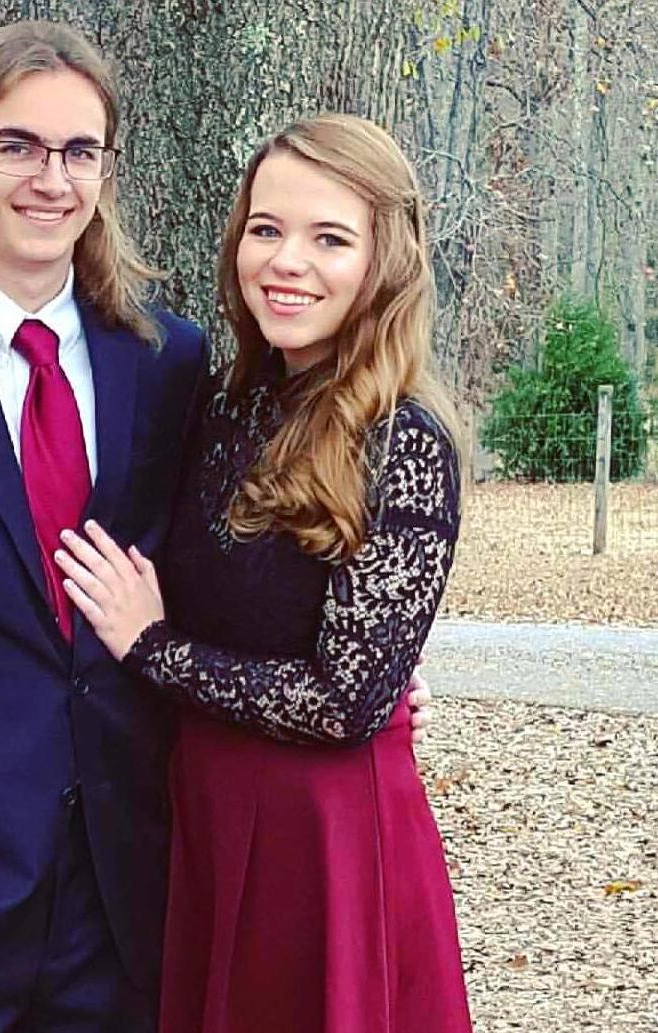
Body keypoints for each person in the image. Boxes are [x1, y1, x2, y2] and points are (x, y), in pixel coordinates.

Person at [0, 20, 432, 1031]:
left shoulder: (166, 362)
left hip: (128, 900)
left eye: (78, 150)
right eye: (15, 145)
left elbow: (215, 573)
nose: (50, 179)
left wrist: (366, 675)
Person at [57, 114, 473, 1033]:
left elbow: (342, 704)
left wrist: (151, 647)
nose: (287, 261)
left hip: (322, 840)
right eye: (266, 228)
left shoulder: (403, 440)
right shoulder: (223, 405)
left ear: (385, 261)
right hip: (201, 811)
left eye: (329, 238)